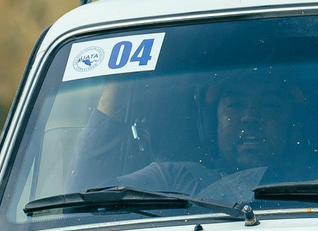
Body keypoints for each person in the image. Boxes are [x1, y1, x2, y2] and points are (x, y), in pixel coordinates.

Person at [109, 76, 301, 202]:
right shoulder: (171, 179)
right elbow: (93, 188)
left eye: (269, 105)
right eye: (235, 104)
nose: (250, 117)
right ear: (211, 122)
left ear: (291, 124)